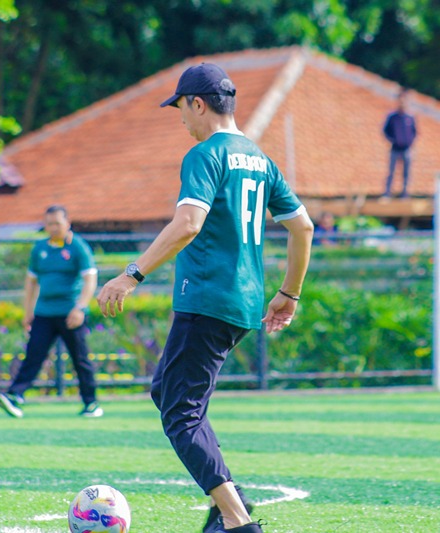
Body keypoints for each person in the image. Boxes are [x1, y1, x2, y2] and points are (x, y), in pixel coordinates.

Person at [96, 64, 313, 533]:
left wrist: (131, 275)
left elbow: (188, 223)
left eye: (180, 108)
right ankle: (232, 501)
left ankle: (235, 519)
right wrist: (288, 294)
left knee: (180, 413)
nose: (181, 121)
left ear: (198, 103)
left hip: (208, 300)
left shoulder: (205, 154)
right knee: (169, 395)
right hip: (243, 305)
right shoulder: (259, 158)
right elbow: (303, 226)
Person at [0, 205, 100, 418]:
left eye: (57, 224)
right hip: (44, 312)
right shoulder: (40, 248)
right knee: (34, 355)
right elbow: (31, 283)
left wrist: (80, 308)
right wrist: (28, 312)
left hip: (70, 313)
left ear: (67, 223)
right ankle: (15, 396)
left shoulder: (78, 247)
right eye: (49, 224)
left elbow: (90, 280)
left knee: (80, 358)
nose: (53, 228)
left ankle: (91, 403)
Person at [383, 88, 417, 198]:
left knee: (406, 173)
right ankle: (388, 193)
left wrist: (409, 142)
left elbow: (414, 132)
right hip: (395, 148)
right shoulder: (393, 117)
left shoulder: (410, 117)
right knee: (391, 172)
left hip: (406, 148)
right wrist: (394, 140)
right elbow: (386, 131)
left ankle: (405, 193)